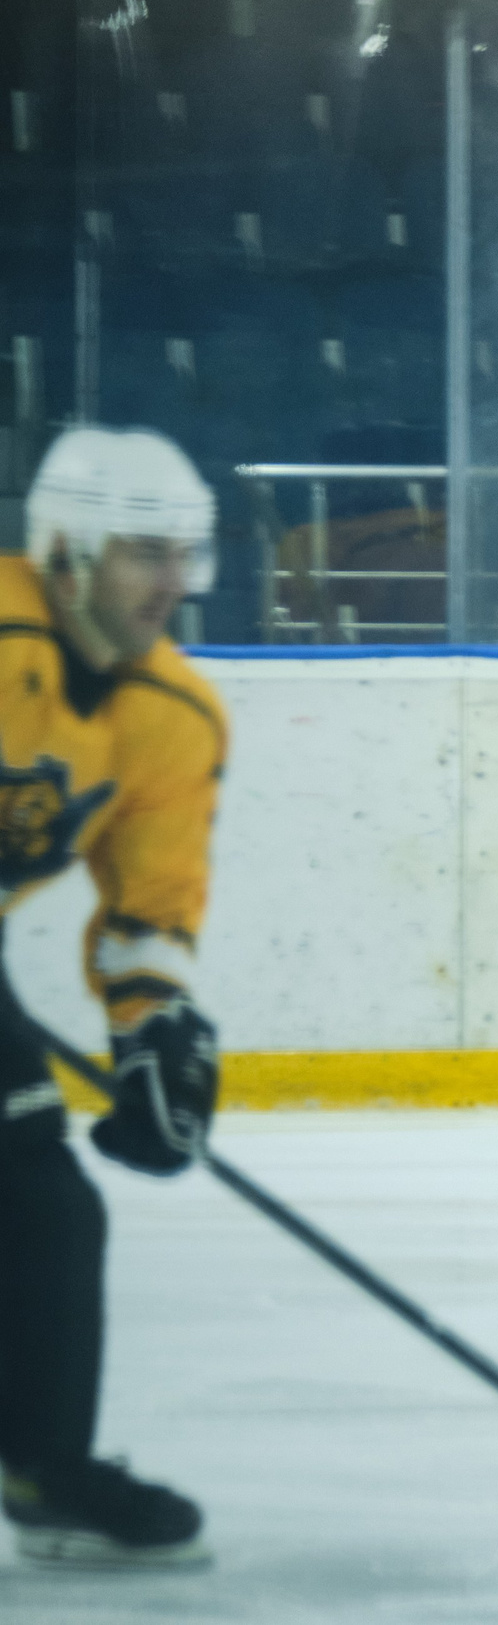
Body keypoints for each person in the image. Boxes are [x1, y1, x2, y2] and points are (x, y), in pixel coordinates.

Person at [0, 427, 227, 1569]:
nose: (172, 581)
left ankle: (43, 1466)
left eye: (184, 553)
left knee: (43, 1205)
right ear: (68, 548)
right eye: (146, 551)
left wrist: (157, 1036)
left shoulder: (172, 716)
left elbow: (150, 907)